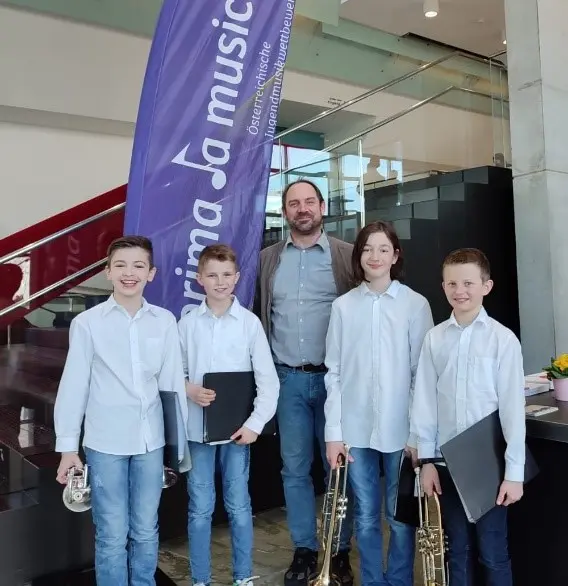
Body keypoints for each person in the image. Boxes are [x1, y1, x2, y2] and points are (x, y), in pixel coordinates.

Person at [54, 235, 188, 586]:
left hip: (151, 442)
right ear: (108, 271)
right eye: (121, 265)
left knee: (145, 529)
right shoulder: (88, 323)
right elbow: (74, 386)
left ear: (151, 273)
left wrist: (178, 447)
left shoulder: (164, 321)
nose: (130, 273)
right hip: (105, 443)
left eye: (139, 266)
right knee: (112, 534)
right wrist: (68, 447)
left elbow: (172, 386)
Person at [256, 179, 355, 586]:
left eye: (309, 201)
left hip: (335, 382)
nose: (302, 209)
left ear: (321, 207)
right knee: (294, 470)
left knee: (338, 470)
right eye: (294, 203)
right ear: (285, 211)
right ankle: (305, 549)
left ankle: (339, 550)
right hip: (288, 381)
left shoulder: (346, 256)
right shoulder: (267, 259)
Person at [324, 221, 434, 586]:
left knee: (400, 518)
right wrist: (334, 434)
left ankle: (399, 581)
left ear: (395, 255)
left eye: (383, 249)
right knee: (367, 517)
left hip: (402, 431)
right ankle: (373, 580)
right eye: (368, 249)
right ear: (358, 256)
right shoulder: (343, 307)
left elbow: (422, 375)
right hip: (355, 431)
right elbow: (334, 372)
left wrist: (419, 435)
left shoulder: (415, 305)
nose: (375, 256)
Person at [410, 248, 526, 586]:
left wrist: (514, 474)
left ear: (486, 286)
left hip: (489, 466)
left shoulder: (502, 340)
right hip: (446, 464)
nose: (459, 291)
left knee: (493, 553)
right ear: (443, 286)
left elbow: (512, 411)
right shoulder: (434, 339)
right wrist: (426, 462)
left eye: (468, 283)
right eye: (452, 284)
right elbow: (424, 403)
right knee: (456, 551)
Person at [179, 244, 279, 586]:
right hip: (198, 433)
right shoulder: (187, 324)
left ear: (237, 278)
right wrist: (189, 389)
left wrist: (255, 425)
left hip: (238, 433)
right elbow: (171, 374)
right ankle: (200, 580)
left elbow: (268, 381)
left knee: (238, 505)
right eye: (212, 275)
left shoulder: (249, 324)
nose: (220, 282)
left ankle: (242, 577)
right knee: (200, 508)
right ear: (199, 279)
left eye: (226, 275)